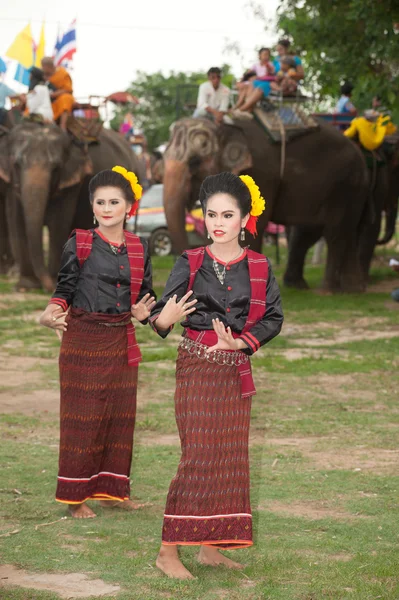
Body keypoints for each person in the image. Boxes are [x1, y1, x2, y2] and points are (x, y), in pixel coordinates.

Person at [150, 172, 284, 579]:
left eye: (228, 214)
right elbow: (160, 317)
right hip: (196, 366)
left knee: (228, 457)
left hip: (234, 369)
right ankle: (167, 551)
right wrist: (164, 318)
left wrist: (241, 344)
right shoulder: (189, 262)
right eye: (211, 214)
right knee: (198, 456)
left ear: (245, 219)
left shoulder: (259, 265)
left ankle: (211, 546)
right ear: (203, 217)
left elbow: (274, 317)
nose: (218, 222)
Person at [39, 167, 156, 519]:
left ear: (128, 207)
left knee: (120, 417)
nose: (107, 208)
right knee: (83, 418)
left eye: (114, 202)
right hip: (83, 341)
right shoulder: (80, 242)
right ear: (92, 206)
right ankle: (76, 498)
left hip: (120, 341)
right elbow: (64, 289)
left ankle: (112, 491)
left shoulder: (139, 247)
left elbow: (146, 296)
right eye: (100, 202)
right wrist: (50, 312)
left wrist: (144, 312)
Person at [41, 56, 74, 131]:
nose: (42, 69)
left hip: (62, 97)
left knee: (65, 98)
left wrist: (53, 94)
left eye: (43, 67)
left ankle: (63, 125)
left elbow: (68, 90)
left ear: (48, 66)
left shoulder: (62, 73)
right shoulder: (45, 76)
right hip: (50, 100)